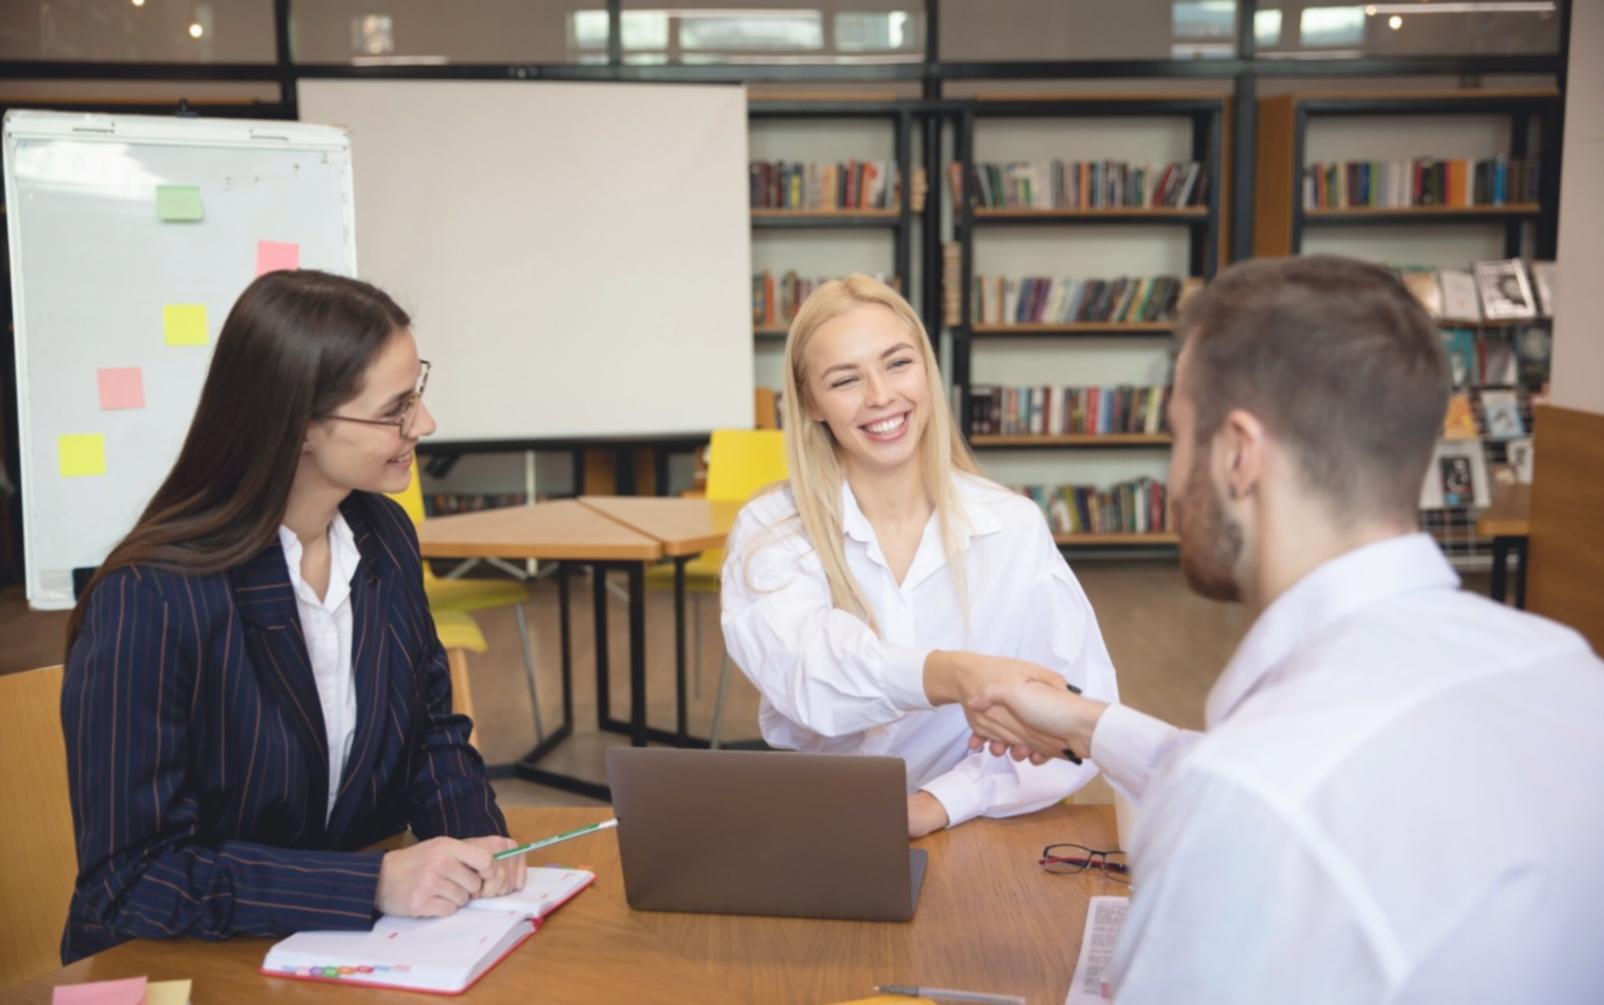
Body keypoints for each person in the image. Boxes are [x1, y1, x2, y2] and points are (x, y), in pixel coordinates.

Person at [965, 256, 1604, 1002]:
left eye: (1175, 437)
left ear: (1238, 454)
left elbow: (1263, 791)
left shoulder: (1249, 801)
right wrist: (1085, 722)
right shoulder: (1566, 668)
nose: (1171, 480)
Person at [60, 270, 524, 963]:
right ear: (301, 426)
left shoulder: (383, 535)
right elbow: (131, 881)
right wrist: (372, 882)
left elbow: (429, 731)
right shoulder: (149, 597)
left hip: (335, 952)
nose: (423, 423)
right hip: (180, 964)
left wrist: (478, 845)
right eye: (396, 407)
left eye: (418, 391)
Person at [720, 274, 1119, 838]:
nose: (881, 396)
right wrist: (955, 674)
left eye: (898, 363)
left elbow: (1077, 718)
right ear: (810, 402)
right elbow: (808, 673)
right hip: (823, 827)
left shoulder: (1011, 525)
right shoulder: (772, 531)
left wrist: (938, 803)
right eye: (845, 379)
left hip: (975, 824)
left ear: (927, 371)